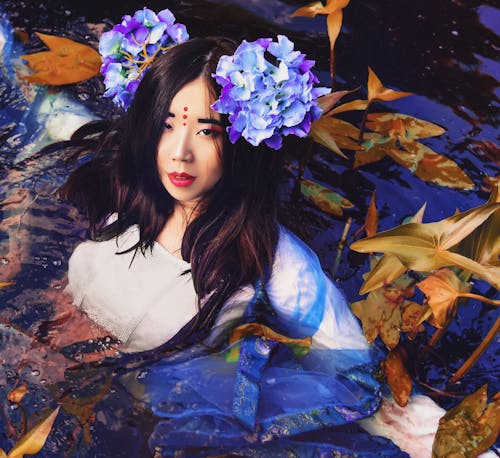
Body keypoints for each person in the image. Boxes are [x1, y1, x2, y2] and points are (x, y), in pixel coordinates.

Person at [54, 8, 442, 457]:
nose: (180, 153)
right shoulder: (120, 199)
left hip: (166, 422)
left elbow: (351, 363)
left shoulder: (274, 261)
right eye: (167, 126)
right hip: (72, 377)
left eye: (207, 131)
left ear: (241, 136)